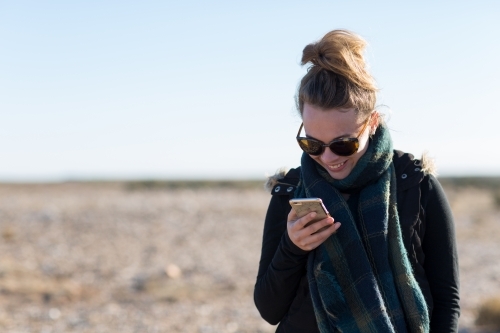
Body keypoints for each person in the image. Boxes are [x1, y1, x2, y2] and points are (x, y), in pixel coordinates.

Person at [254, 29, 460, 333]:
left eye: (343, 144)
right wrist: (292, 247)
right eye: (312, 144)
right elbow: (269, 310)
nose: (327, 158)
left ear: (372, 122)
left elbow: (447, 301)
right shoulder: (290, 192)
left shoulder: (414, 184)